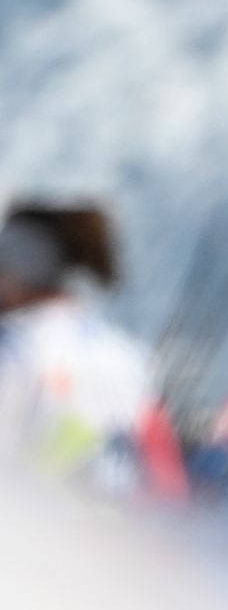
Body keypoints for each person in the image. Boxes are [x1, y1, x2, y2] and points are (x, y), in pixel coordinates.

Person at [0, 201, 173, 496]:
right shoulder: (128, 356)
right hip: (114, 535)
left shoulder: (17, 347)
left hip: (28, 531)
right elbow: (168, 480)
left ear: (21, 269)